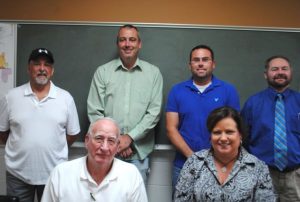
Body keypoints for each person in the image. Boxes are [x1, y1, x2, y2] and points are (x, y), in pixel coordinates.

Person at [0, 48, 80, 202]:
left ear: (52, 70)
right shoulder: (10, 97)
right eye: (37, 64)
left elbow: (72, 134)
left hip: (54, 173)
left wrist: (53, 148)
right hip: (18, 175)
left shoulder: (65, 98)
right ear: (29, 68)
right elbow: (3, 132)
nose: (42, 69)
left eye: (47, 65)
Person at [87, 24, 163, 182]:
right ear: (117, 44)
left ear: (139, 44)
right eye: (123, 40)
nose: (127, 44)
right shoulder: (103, 72)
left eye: (132, 40)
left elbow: (154, 113)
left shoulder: (153, 74)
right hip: (106, 152)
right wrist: (115, 141)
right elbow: (95, 111)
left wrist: (129, 138)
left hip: (139, 155)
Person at [166, 44, 240, 188]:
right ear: (190, 65)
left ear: (213, 64)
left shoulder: (228, 90)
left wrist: (217, 159)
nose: (200, 63)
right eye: (196, 60)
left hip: (221, 167)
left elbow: (235, 129)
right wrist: (193, 158)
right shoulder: (177, 90)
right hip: (184, 165)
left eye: (205, 60)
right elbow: (171, 128)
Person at [174, 107, 275, 201]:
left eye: (229, 132)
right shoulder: (194, 162)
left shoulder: (258, 168)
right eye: (217, 132)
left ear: (240, 135)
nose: (223, 138)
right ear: (210, 136)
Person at [41, 117, 147, 202]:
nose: (104, 147)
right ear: (87, 141)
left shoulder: (131, 174)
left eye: (111, 141)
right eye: (99, 139)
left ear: (117, 146)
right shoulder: (61, 173)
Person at [241, 55, 300, 201]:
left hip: (297, 175)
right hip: (262, 174)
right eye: (274, 69)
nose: (280, 72)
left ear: (290, 72)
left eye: (284, 69)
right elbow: (243, 139)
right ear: (266, 74)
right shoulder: (253, 103)